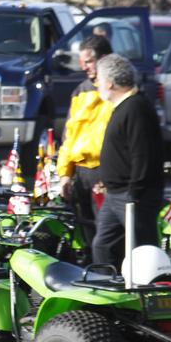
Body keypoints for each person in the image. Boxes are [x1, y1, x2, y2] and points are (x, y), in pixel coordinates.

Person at [91, 54, 164, 270]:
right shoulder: (123, 106)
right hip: (114, 192)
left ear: (110, 82)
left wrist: (136, 191)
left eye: (98, 80)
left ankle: (150, 291)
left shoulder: (136, 107)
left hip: (132, 194)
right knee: (103, 245)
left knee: (142, 248)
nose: (97, 86)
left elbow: (143, 154)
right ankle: (107, 294)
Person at [56, 35, 114, 255]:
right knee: (86, 233)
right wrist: (65, 175)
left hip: (106, 173)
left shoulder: (118, 91)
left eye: (89, 61)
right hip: (82, 173)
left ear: (105, 59)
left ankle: (112, 275)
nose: (84, 67)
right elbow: (69, 138)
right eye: (82, 62)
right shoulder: (80, 91)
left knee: (107, 235)